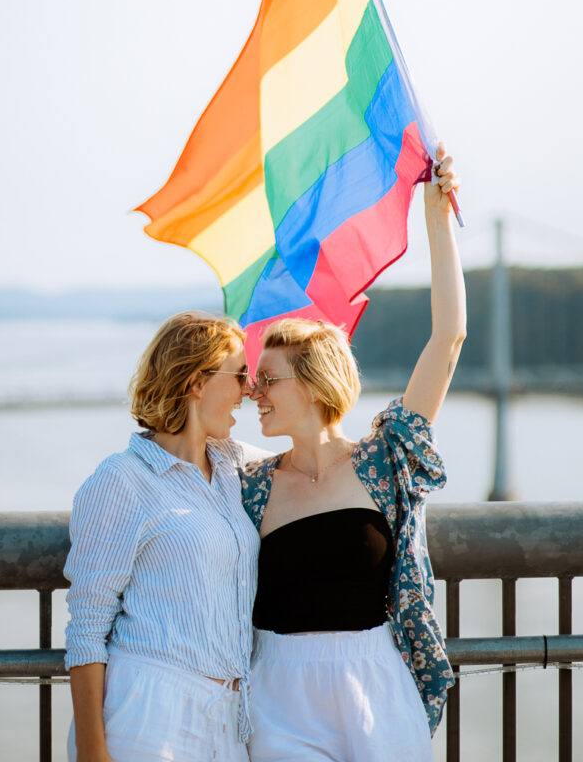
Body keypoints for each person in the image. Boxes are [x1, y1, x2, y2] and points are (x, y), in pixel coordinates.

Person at [240, 146, 467, 762]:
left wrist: (436, 215)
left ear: (314, 385)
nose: (253, 393)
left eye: (269, 380)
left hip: (376, 687)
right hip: (278, 697)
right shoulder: (247, 485)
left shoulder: (384, 460)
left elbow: (447, 339)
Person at [63, 312, 260, 762]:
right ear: (197, 382)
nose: (248, 389)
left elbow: (313, 460)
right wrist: (93, 751)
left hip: (229, 718)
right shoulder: (122, 479)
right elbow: (88, 626)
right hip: (150, 712)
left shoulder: (233, 465)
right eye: (240, 375)